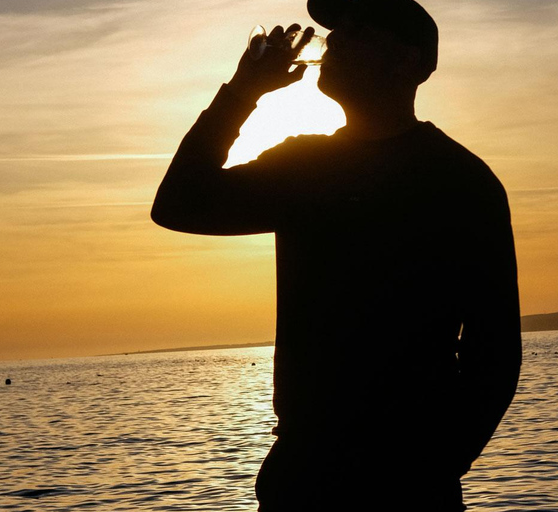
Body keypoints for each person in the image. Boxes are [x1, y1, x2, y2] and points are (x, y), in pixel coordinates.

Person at [151, 0, 521, 510]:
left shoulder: (461, 183)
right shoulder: (303, 166)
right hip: (301, 473)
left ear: (408, 61)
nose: (337, 39)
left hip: (408, 481)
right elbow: (178, 205)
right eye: (337, 29)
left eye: (359, 28)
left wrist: (437, 462)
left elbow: (495, 354)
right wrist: (242, 92)